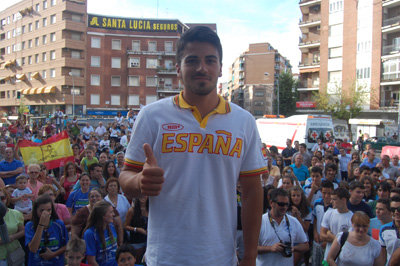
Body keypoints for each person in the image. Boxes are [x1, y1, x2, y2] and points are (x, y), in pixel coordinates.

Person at [120, 26, 267, 266]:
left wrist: (249, 256)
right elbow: (126, 176)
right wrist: (138, 182)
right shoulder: (151, 116)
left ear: (220, 68)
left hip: (220, 258)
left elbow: (252, 191)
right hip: (164, 259)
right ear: (178, 69)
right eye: (192, 60)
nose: (202, 68)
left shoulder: (244, 121)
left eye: (210, 60)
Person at [256, 188, 308, 266]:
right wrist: (270, 248)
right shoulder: (259, 221)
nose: (284, 207)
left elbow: (306, 245)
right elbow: (251, 249)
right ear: (271, 203)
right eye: (281, 204)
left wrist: (293, 248)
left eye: (287, 204)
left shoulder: (293, 221)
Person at [25, 195, 68, 266]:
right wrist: (41, 225)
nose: (46, 213)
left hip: (55, 263)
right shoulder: (30, 226)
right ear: (36, 211)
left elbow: (66, 245)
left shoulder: (59, 224)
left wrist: (53, 254)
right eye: (42, 210)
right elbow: (33, 249)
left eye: (49, 210)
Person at [320, 187, 353, 260]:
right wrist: (339, 240)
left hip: (344, 259)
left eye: (334, 199)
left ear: (343, 200)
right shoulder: (329, 213)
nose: (331, 201)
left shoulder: (352, 218)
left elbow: (348, 242)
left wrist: (331, 236)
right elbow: (322, 235)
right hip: (328, 257)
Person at [83, 200, 118, 266]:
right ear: (103, 215)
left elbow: (116, 249)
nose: (113, 214)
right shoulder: (90, 234)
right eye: (111, 212)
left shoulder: (111, 227)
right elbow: (91, 261)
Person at [312, 180, 334, 266]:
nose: (327, 196)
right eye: (324, 193)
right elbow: (315, 219)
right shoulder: (317, 203)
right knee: (315, 262)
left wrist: (326, 240)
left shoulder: (334, 207)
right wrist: (315, 232)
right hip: (317, 239)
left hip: (328, 242)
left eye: (329, 193)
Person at [0, 190, 25, 266]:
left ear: (7, 198)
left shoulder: (16, 213)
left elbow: (23, 231)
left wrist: (12, 237)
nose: (0, 201)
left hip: (15, 252)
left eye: (2, 198)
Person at [124, 196, 148, 263]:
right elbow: (126, 226)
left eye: (145, 195)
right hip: (137, 242)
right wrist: (137, 229)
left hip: (148, 241)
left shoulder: (150, 209)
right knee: (138, 261)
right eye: (140, 195)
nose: (143, 196)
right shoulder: (132, 210)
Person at [379, 196, 400, 265]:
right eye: (393, 209)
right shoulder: (384, 229)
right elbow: (383, 258)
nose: (396, 212)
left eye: (399, 209)